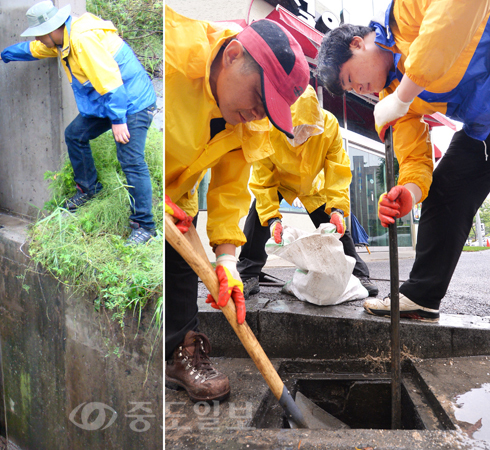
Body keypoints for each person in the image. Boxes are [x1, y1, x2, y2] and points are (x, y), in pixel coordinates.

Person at [165, 6, 309, 402]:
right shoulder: (172, 45)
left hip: (177, 198)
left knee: (180, 272)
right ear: (232, 56)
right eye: (260, 97)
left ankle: (179, 353)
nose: (258, 113)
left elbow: (229, 192)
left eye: (269, 111)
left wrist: (227, 264)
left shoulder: (250, 122)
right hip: (137, 177)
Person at [317, 0, 490, 321]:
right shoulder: (394, 101)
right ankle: (421, 297)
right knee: (445, 191)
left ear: (358, 44)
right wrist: (407, 193)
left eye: (351, 77)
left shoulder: (404, 14)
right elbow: (415, 160)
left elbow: (455, 15)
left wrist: (404, 94)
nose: (359, 89)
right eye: (351, 88)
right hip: (484, 129)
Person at [0, 1, 157, 245]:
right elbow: (33, 50)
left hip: (132, 102)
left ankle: (145, 227)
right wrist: (1, 55)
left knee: (131, 160)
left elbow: (111, 81)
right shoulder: (63, 40)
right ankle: (89, 188)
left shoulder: (82, 41)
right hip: (107, 102)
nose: (39, 39)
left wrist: (118, 120)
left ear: (54, 28)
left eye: (41, 34)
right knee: (75, 134)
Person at [237, 85, 378, 298]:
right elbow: (262, 180)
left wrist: (338, 209)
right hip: (279, 183)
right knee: (257, 218)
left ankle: (357, 275)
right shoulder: (265, 128)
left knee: (337, 228)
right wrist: (273, 218)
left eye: (307, 129)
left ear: (316, 119)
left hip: (313, 185)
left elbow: (337, 171)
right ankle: (248, 275)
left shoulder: (329, 127)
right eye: (295, 128)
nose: (301, 135)